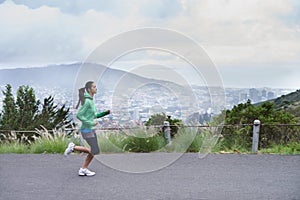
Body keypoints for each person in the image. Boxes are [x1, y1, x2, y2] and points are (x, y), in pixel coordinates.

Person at [64, 81, 110, 176]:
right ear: (89, 89)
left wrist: (105, 113)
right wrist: (90, 123)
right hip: (86, 129)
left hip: (90, 129)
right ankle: (73, 148)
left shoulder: (91, 101)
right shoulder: (88, 102)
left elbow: (93, 115)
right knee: (95, 150)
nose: (96, 88)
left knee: (95, 150)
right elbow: (79, 115)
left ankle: (83, 168)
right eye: (94, 87)